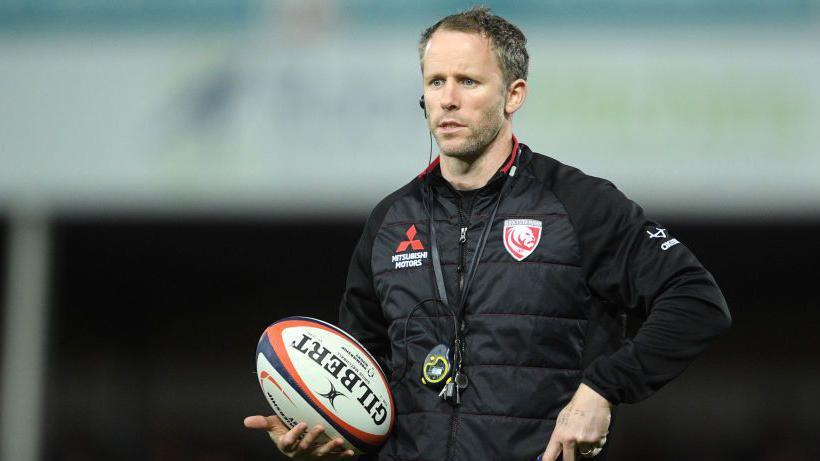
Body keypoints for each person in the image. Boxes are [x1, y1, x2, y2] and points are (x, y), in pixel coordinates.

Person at [244, 7, 731, 461]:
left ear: (514, 94)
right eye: (436, 81)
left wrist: (603, 388)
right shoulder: (390, 222)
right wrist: (329, 431)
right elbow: (363, 371)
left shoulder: (581, 204)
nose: (448, 99)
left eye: (468, 81)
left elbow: (696, 301)